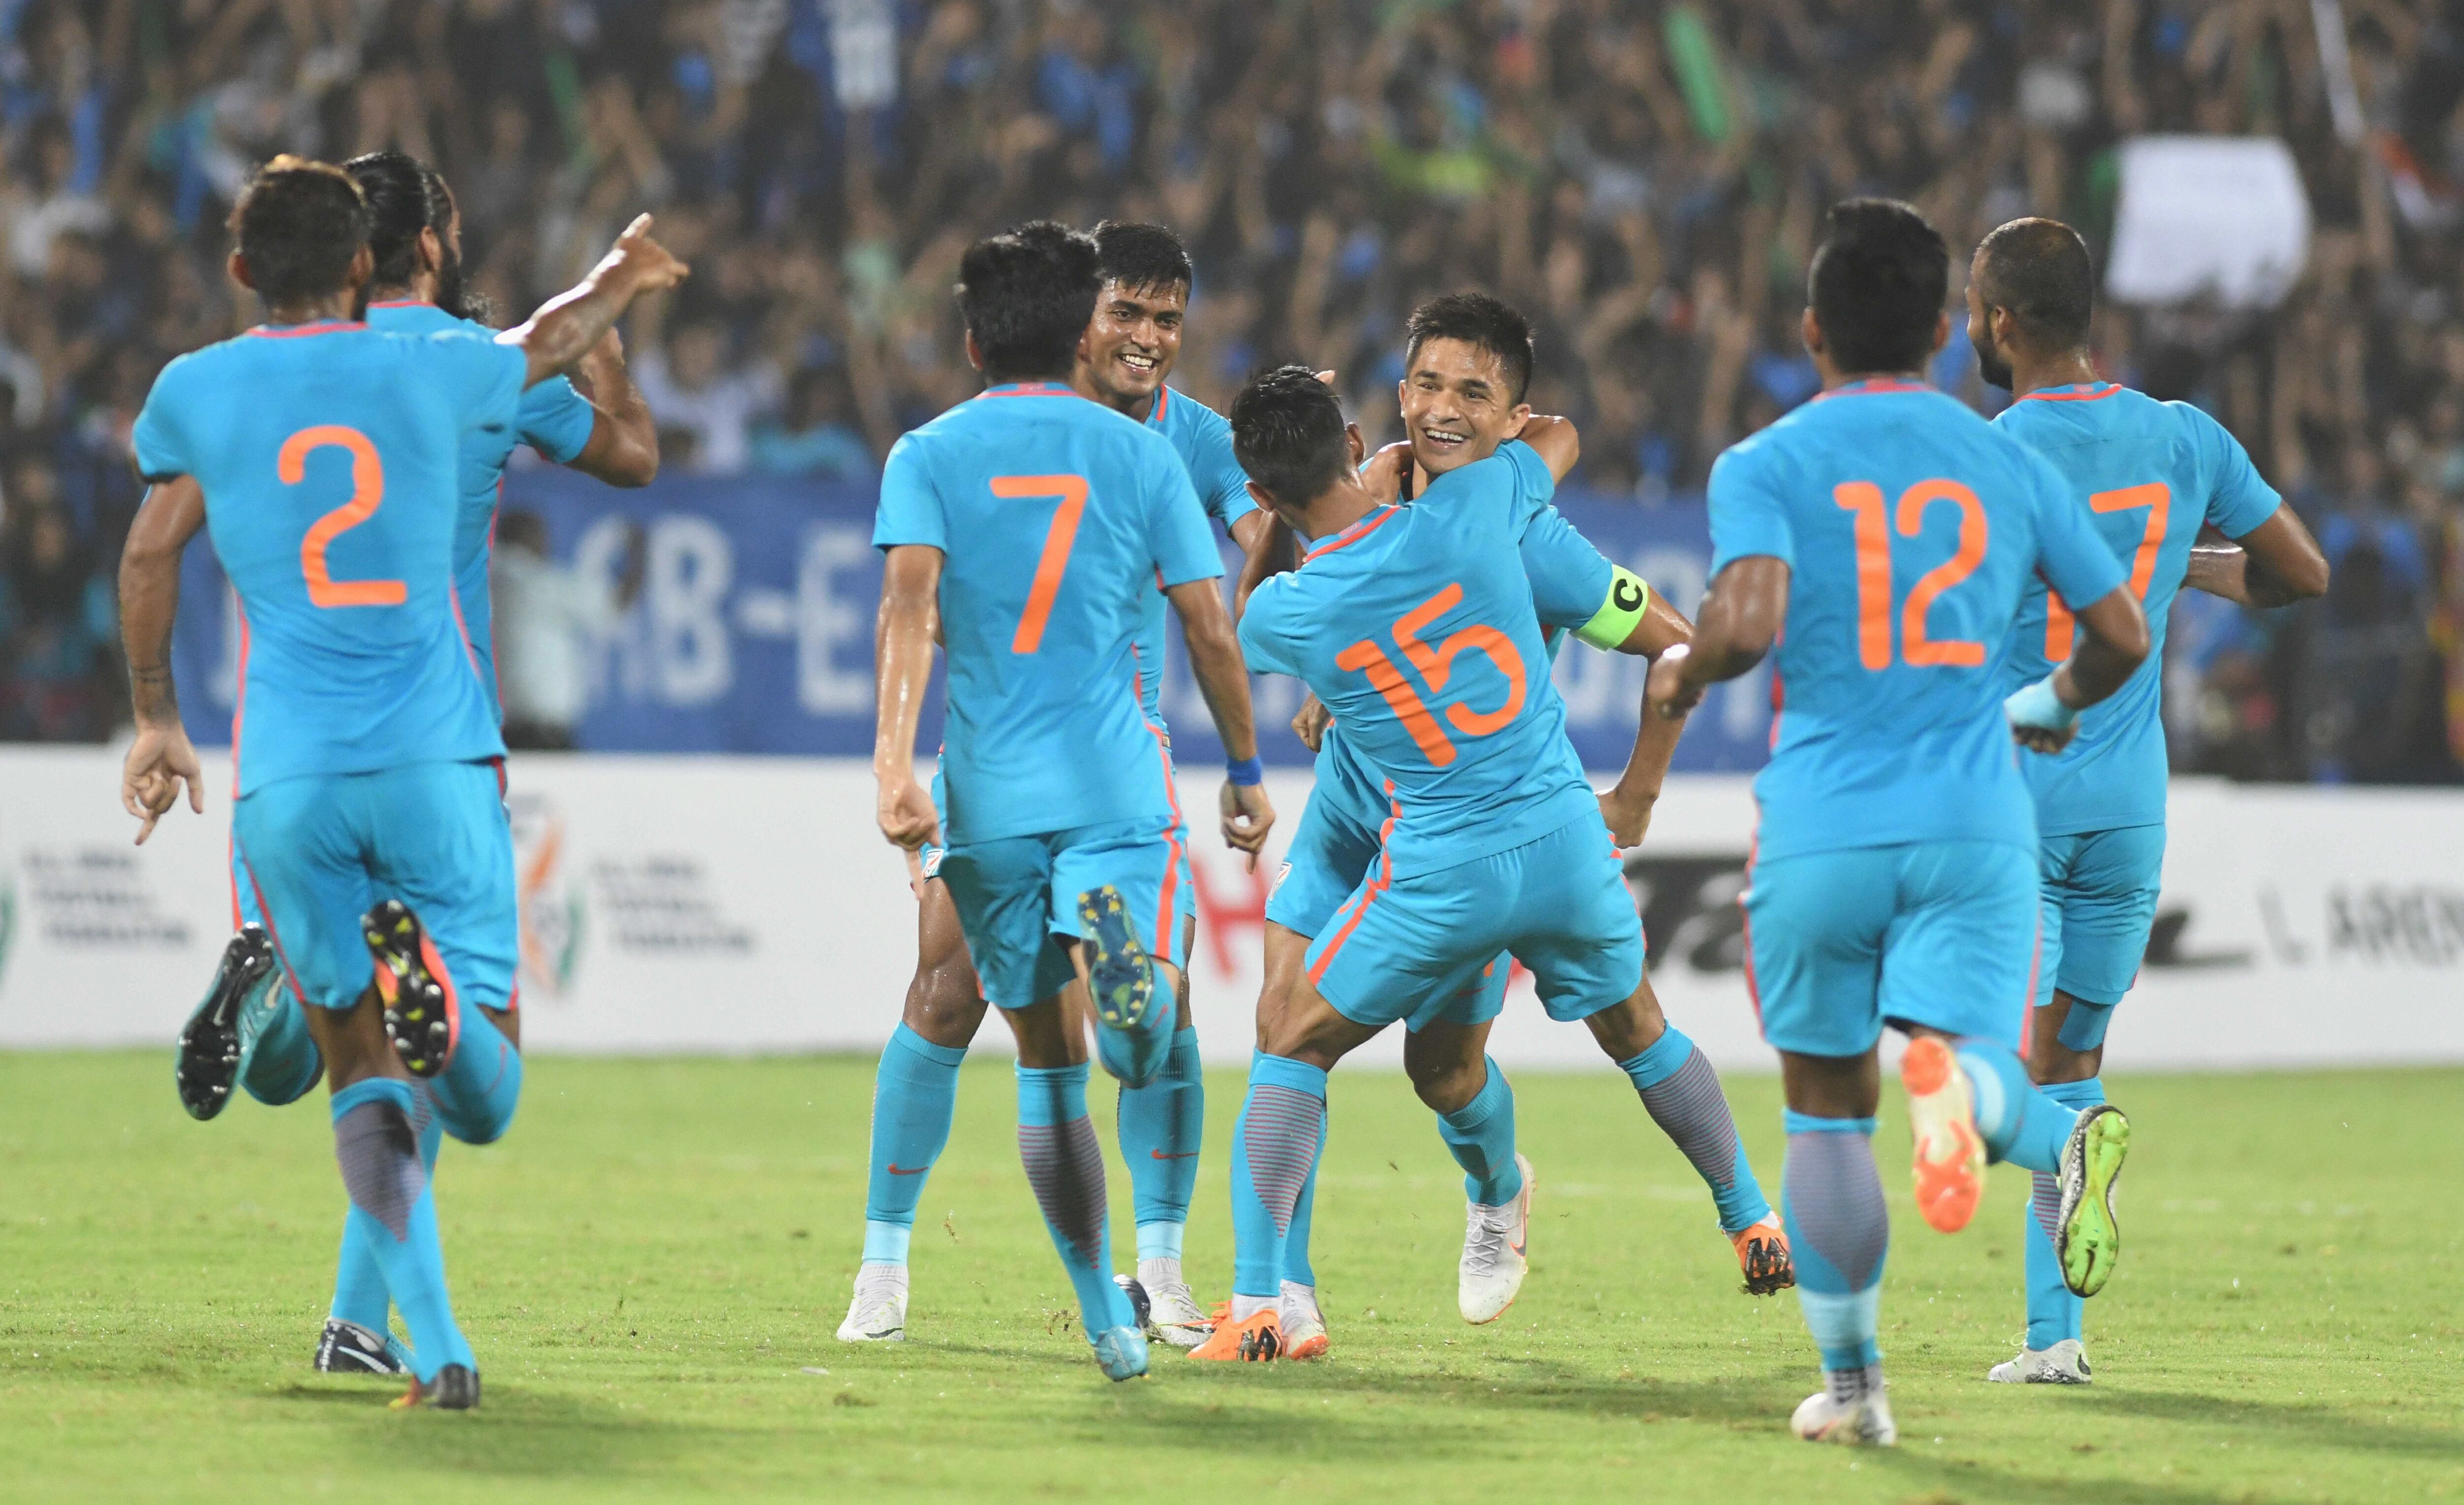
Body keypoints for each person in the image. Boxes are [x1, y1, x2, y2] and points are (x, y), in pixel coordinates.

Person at [118, 155, 686, 1409]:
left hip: (286, 769)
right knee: (473, 1082)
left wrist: (156, 718)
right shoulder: (451, 365)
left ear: (243, 269)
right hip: (438, 747)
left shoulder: (199, 388)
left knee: (335, 1060)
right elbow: (572, 368)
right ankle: (412, 1030)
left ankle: (394, 1332)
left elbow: (151, 550)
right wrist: (618, 280)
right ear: (385, 255)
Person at [1196, 298, 1789, 1365]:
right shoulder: (1486, 502)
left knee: (1433, 1072)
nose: (1444, 408)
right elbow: (1558, 442)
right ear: (1383, 409)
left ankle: (1492, 1192)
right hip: (1367, 824)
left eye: (1475, 393)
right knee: (1285, 1020)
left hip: (1439, 846)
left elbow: (1673, 647)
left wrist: (1639, 793)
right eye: (1428, 384)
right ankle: (1289, 1297)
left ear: (1511, 413)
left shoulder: (1523, 531)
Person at [1645, 199, 2150, 1445]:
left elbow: (1745, 624)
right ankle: (2018, 1119)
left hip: (1823, 818)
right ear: (1938, 330)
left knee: (1825, 1106)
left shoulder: (1764, 463)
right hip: (1975, 821)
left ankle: (1856, 1392)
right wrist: (2048, 703)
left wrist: (1685, 666)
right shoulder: (2006, 459)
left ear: (1811, 330)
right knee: (1972, 1063)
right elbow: (2121, 635)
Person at [838, 221, 1277, 1352]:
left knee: (1042, 1046)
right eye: (1125, 313)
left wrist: (892, 763)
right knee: (1023, 1006)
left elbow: (909, 611)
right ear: (1082, 323)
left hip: (993, 777)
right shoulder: (1132, 457)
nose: (1147, 338)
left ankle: (1141, 1277)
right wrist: (1245, 763)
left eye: (1167, 320)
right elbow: (1214, 617)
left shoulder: (1171, 438)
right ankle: (895, 1270)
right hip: (1119, 771)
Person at [1968, 217, 2329, 1385]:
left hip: (2018, 802)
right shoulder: (2182, 435)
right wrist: (2180, 565)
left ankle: (2070, 1160)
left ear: (2001, 322)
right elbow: (2301, 572)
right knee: (2069, 1061)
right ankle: (2054, 1342)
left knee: (1988, 1075)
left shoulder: (1992, 453)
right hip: (2129, 812)